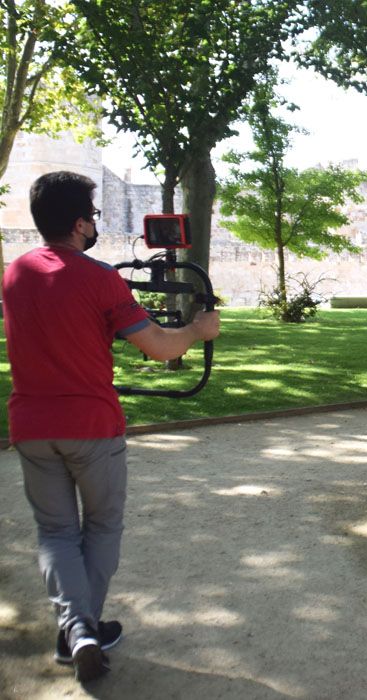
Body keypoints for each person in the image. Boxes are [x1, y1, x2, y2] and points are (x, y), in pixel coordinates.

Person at [3, 171, 221, 681]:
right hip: (91, 425)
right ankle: (82, 629)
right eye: (94, 217)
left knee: (55, 532)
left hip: (32, 425)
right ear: (80, 224)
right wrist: (197, 328)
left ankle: (75, 629)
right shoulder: (99, 278)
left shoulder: (15, 274)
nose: (95, 225)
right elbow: (159, 346)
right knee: (101, 526)